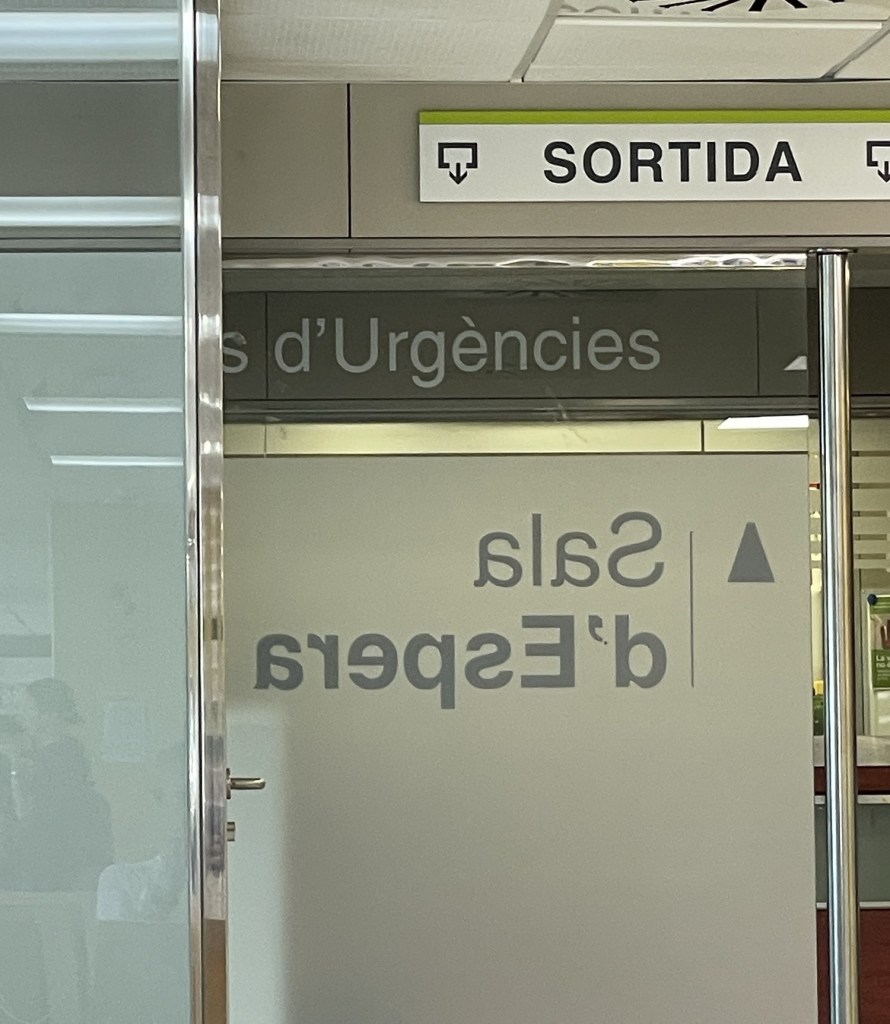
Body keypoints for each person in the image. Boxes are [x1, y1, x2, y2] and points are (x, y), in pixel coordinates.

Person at [8, 677, 114, 891]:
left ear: (50, 715)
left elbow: (31, 817)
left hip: (53, 870)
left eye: (28, 709)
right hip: (60, 868)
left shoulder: (57, 762)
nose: (21, 716)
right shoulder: (59, 757)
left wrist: (15, 771)